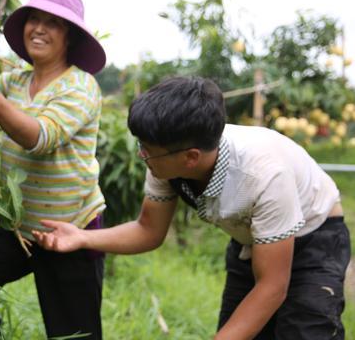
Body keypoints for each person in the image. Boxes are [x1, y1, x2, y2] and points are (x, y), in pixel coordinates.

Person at [33, 75, 350, 339]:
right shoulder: (166, 159)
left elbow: (272, 286)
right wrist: (81, 237)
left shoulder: (264, 175)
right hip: (253, 241)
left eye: (148, 149)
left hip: (315, 237)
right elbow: (148, 231)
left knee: (305, 330)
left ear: (191, 157)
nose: (141, 155)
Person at [0, 0, 107, 339]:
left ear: (70, 38)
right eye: (33, 19)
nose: (39, 28)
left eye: (53, 23)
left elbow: (39, 137)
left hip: (70, 231)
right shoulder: (17, 80)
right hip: (20, 227)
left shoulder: (80, 87)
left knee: (73, 333)